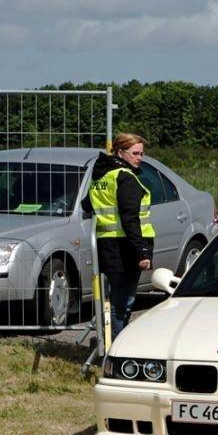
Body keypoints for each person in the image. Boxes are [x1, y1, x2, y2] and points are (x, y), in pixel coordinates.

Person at [82, 133, 154, 341]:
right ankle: (117, 347)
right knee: (123, 303)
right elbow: (130, 218)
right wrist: (141, 251)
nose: (140, 158)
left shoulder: (103, 176)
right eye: (135, 153)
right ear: (121, 153)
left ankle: (109, 343)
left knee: (115, 301)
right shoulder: (125, 177)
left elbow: (86, 205)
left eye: (142, 153)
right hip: (126, 249)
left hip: (107, 246)